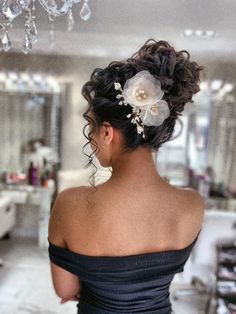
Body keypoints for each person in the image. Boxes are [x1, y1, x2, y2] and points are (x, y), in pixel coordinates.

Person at [48, 39, 205, 314]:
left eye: (91, 128)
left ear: (107, 133)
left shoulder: (69, 204)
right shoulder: (192, 205)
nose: (93, 139)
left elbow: (65, 290)